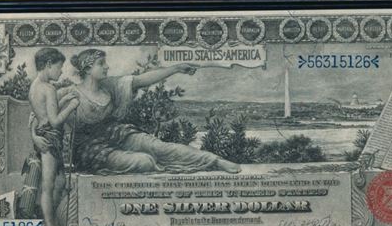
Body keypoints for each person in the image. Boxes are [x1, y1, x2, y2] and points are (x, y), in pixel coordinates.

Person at [31, 48, 240, 176]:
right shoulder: (67, 92)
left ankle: (214, 160)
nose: (107, 67)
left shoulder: (110, 86)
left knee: (158, 147)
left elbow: (142, 80)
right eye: (101, 64)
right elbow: (36, 116)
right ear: (87, 68)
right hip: (90, 149)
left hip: (116, 133)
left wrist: (175, 68)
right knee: (144, 161)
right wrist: (34, 136)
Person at [28, 47, 80, 226]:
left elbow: (39, 113)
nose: (61, 71)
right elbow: (55, 120)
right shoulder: (49, 88)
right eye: (59, 67)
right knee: (49, 185)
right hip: (50, 139)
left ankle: (52, 223)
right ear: (48, 65)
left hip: (44, 136)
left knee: (59, 182)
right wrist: (72, 105)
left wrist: (64, 99)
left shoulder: (35, 86)